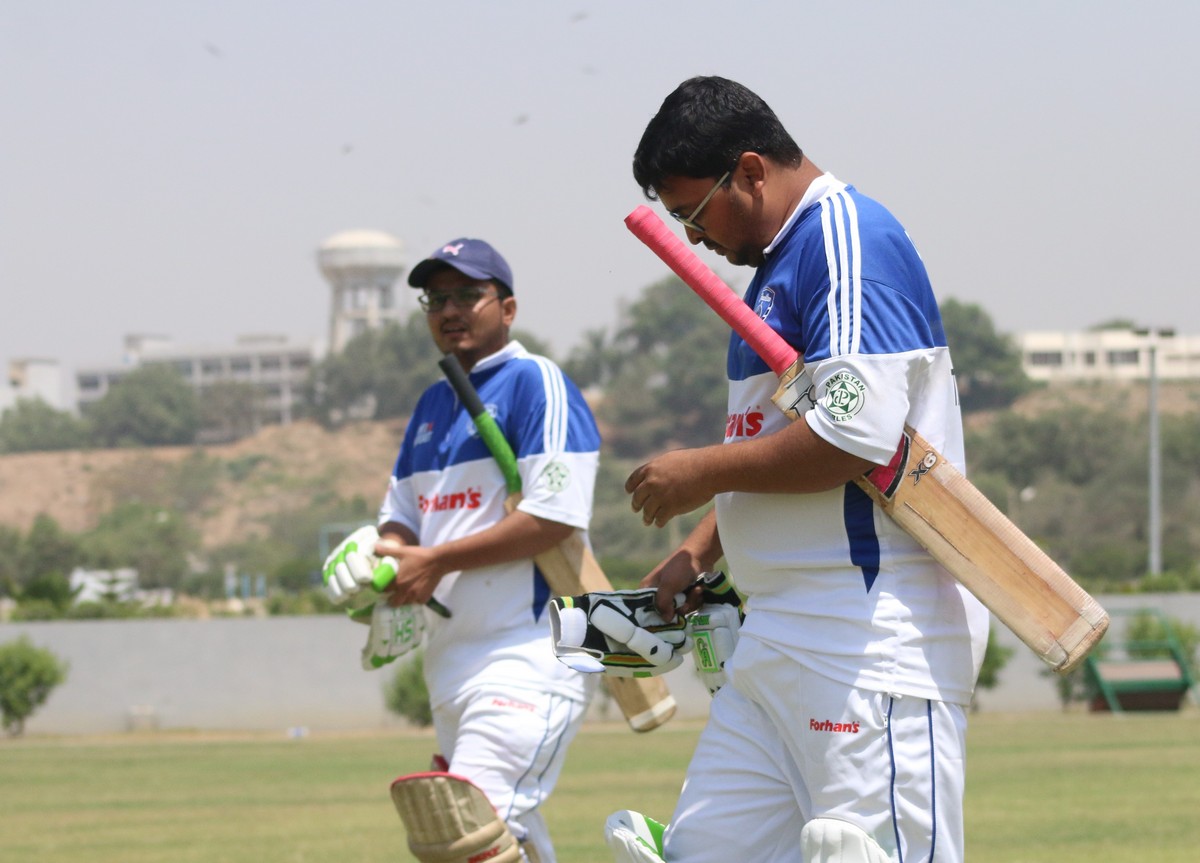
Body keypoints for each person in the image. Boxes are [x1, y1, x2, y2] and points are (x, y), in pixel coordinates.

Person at [621, 76, 990, 863]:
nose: (693, 237)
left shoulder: (846, 239)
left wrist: (698, 471)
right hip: (775, 636)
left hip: (865, 638)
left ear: (751, 171)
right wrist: (703, 547)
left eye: (695, 212)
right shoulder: (778, 268)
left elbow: (854, 436)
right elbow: (781, 443)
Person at [366, 238, 600, 862]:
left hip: (530, 654)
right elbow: (401, 516)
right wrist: (386, 560)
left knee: (464, 835)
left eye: (468, 294)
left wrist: (435, 562)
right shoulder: (430, 404)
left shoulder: (535, 382)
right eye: (436, 298)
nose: (450, 309)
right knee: (506, 842)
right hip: (449, 662)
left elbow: (554, 517)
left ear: (508, 308)